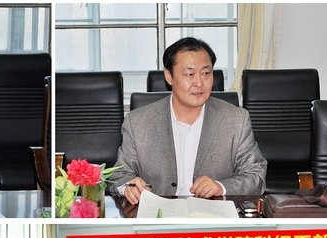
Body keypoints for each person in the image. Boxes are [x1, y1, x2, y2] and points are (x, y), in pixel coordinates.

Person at [110, 37, 266, 204]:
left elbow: (255, 176)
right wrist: (128, 186)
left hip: (211, 214)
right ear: (169, 76)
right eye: (189, 74)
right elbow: (119, 175)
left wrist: (221, 187)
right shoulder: (138, 122)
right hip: (159, 214)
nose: (199, 82)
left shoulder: (236, 120)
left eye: (206, 73)